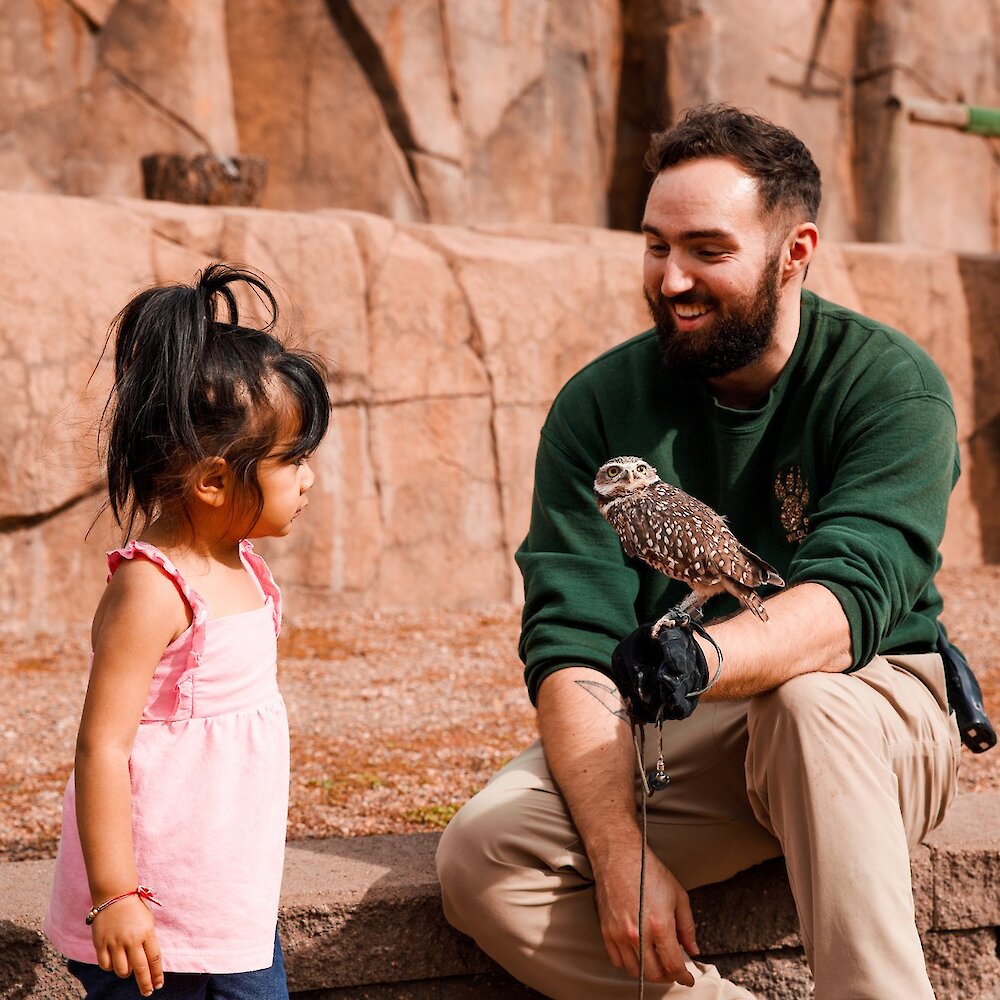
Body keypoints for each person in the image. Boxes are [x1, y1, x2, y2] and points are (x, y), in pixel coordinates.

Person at [436, 104, 961, 998]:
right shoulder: (598, 408)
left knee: (806, 707)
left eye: (707, 251)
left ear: (795, 252)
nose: (670, 279)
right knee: (485, 856)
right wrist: (618, 850)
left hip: (873, 709)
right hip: (693, 728)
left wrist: (697, 655)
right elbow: (569, 642)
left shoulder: (889, 386)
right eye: (654, 245)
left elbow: (845, 604)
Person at [45, 264, 332, 998]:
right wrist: (115, 897)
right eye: (293, 461)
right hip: (154, 920)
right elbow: (101, 746)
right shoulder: (153, 586)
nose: (308, 480)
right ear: (211, 481)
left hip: (224, 900)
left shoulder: (240, 565)